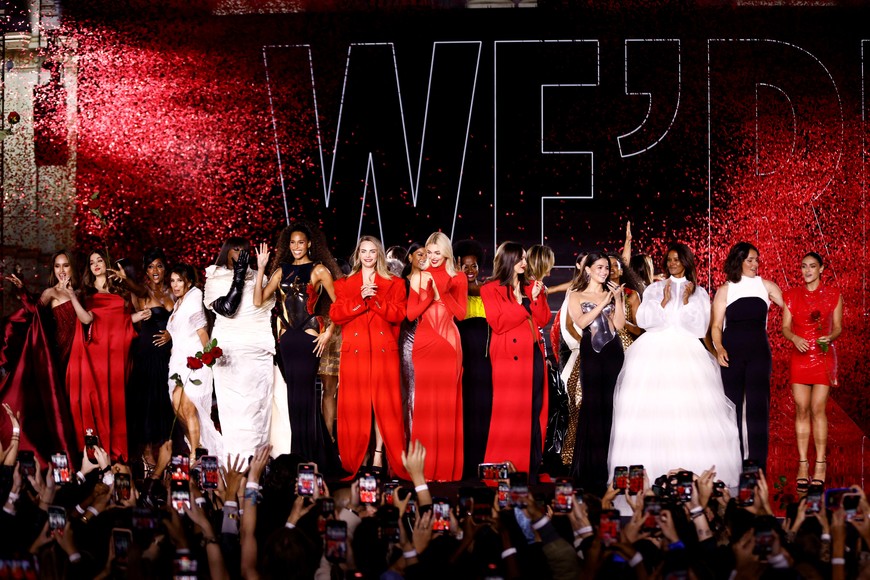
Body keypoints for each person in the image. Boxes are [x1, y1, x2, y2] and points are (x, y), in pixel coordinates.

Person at [608, 243, 742, 503]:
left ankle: (690, 478)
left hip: (687, 354)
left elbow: (698, 327)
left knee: (687, 411)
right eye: (668, 259)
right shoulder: (656, 288)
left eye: (676, 259)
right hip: (652, 353)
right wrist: (665, 300)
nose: (671, 263)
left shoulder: (700, 292)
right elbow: (646, 321)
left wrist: (684, 300)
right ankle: (646, 478)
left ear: (686, 262)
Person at [254, 221, 339, 469]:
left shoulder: (320, 270)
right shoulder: (281, 271)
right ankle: (297, 454)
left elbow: (340, 306)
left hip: (309, 338)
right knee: (292, 396)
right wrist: (261, 269)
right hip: (287, 341)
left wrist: (328, 333)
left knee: (305, 396)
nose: (296, 246)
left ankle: (309, 455)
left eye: (301, 242)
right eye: (292, 242)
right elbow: (258, 300)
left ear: (309, 244)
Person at [330, 235, 409, 479]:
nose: (367, 256)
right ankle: (358, 456)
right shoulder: (344, 284)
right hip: (355, 354)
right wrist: (359, 299)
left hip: (384, 352)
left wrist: (373, 300)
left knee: (385, 407)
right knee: (356, 407)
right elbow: (336, 315)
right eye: (363, 251)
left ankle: (378, 454)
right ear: (357, 255)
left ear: (379, 255)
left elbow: (399, 314)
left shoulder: (394, 283)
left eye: (372, 251)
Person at [0, 251, 81, 463]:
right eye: (57, 266)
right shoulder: (50, 292)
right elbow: (33, 311)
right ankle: (53, 457)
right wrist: (22, 289)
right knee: (55, 406)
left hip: (77, 355)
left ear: (72, 267)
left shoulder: (80, 293)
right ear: (53, 270)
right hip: (57, 355)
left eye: (65, 265)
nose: (62, 270)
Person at [480, 242, 550, 477]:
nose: (524, 262)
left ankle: (529, 469)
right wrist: (522, 305)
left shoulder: (531, 286)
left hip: (534, 355)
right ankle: (505, 468)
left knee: (534, 411)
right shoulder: (490, 289)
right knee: (510, 415)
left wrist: (537, 299)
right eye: (519, 258)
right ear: (508, 261)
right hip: (509, 360)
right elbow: (498, 323)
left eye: (524, 258)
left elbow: (542, 319)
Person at [712, 242, 783, 471]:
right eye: (750, 260)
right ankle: (735, 461)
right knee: (732, 405)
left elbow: (794, 308)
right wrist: (719, 348)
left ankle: (758, 465)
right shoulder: (726, 289)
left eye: (756, 260)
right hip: (731, 352)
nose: (755, 264)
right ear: (739, 261)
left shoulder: (767, 286)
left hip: (759, 352)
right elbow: (715, 326)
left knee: (757, 407)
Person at [204, 238, 275, 461]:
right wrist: (238, 276)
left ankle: (258, 463)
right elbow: (228, 309)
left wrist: (256, 271)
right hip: (230, 353)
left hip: (257, 351)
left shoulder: (259, 276)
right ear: (226, 252)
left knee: (258, 410)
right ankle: (236, 462)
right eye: (236, 249)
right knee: (235, 411)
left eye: (245, 250)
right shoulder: (215, 277)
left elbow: (264, 308)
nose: (241, 253)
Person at [66, 250, 139, 461]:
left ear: (107, 263)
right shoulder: (85, 293)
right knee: (97, 398)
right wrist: (72, 296)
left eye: (99, 260)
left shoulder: (122, 289)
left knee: (115, 398)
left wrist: (136, 317)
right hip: (95, 351)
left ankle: (115, 450)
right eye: (91, 262)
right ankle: (96, 451)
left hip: (117, 350)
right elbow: (86, 319)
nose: (96, 264)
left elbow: (122, 321)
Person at [406, 232, 466, 481]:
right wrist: (429, 296)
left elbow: (461, 314)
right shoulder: (418, 276)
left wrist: (444, 293)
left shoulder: (458, 277)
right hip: (424, 344)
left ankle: (445, 469)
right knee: (425, 408)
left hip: (448, 345)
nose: (431, 257)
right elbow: (410, 315)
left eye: (437, 253)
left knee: (446, 406)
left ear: (446, 254)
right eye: (428, 253)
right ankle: (426, 469)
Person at [782, 252, 842, 488]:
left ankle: (820, 463)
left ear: (821, 269)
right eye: (804, 266)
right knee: (801, 408)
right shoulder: (791, 295)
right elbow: (785, 327)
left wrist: (830, 336)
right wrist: (795, 338)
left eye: (812, 266)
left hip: (823, 356)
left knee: (818, 408)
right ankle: (803, 463)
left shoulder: (834, 294)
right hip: (800, 355)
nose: (807, 270)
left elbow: (838, 327)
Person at [568, 250, 625, 496]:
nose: (604, 272)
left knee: (611, 406)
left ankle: (609, 469)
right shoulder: (576, 294)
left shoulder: (611, 293)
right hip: (591, 353)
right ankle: (591, 470)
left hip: (613, 351)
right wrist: (603, 302)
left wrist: (619, 299)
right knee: (593, 407)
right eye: (599, 267)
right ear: (588, 269)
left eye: (607, 268)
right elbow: (580, 323)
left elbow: (619, 326)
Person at [166, 263, 223, 460]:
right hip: (177, 363)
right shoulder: (177, 304)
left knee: (189, 407)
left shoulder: (194, 296)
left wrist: (209, 356)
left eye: (179, 280)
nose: (175, 285)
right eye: (172, 281)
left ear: (188, 281)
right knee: (177, 406)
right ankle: (197, 446)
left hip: (195, 361)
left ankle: (194, 457)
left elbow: (201, 330)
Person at [124, 248, 176, 465]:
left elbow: (183, 320)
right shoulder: (141, 292)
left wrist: (171, 334)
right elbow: (130, 310)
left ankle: (164, 450)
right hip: (147, 353)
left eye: (159, 265)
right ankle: (146, 452)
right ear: (145, 270)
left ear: (165, 268)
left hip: (168, 355)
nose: (155, 270)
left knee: (165, 401)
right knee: (146, 402)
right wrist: (124, 279)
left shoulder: (174, 291)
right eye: (150, 266)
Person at [453, 239, 493, 479]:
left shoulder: (487, 292)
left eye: (474, 266)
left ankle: (484, 460)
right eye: (465, 266)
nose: (470, 271)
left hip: (485, 361)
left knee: (484, 409)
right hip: (462, 360)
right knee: (464, 410)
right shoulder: (455, 293)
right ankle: (464, 464)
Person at [399, 242, 425, 440]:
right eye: (419, 254)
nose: (423, 258)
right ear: (410, 258)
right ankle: (411, 443)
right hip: (409, 339)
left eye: (426, 254)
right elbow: (406, 315)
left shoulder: (430, 280)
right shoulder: (402, 283)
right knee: (411, 391)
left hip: (430, 340)